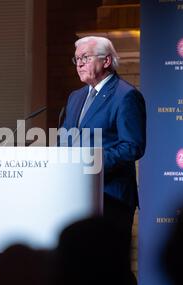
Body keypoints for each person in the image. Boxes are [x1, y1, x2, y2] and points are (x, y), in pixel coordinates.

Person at [59, 36, 146, 243]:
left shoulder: (126, 96)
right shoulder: (75, 97)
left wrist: (91, 163)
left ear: (106, 61)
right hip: (76, 194)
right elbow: (65, 139)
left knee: (109, 269)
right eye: (77, 59)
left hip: (110, 197)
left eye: (85, 58)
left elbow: (132, 146)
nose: (79, 63)